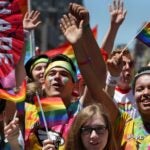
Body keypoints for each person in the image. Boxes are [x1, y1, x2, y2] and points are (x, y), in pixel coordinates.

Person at [60, 3, 150, 149]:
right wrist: (82, 38)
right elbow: (96, 84)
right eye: (140, 89)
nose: (145, 93)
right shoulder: (126, 124)